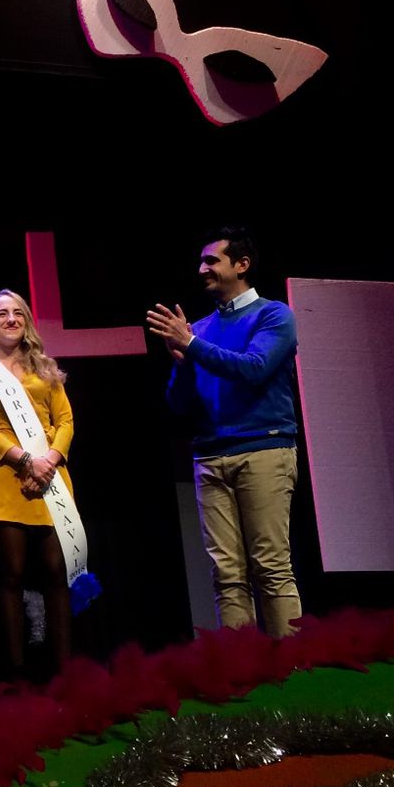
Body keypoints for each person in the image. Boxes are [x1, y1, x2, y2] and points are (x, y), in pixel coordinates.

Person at [147, 226, 301, 637]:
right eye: (201, 261)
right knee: (226, 572)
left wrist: (192, 345)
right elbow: (180, 405)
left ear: (242, 265)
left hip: (263, 449)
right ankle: (241, 677)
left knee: (270, 565)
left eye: (211, 261)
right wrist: (182, 361)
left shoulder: (273, 315)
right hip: (210, 455)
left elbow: (254, 369)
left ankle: (295, 670)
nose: (202, 269)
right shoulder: (199, 328)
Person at [0, 290, 83, 667]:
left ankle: (64, 674)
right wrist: (26, 461)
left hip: (52, 475)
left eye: (18, 313)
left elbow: (65, 420)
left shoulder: (44, 367)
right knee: (10, 576)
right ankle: (16, 675)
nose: (11, 319)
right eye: (2, 314)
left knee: (56, 575)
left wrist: (49, 459)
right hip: (5, 477)